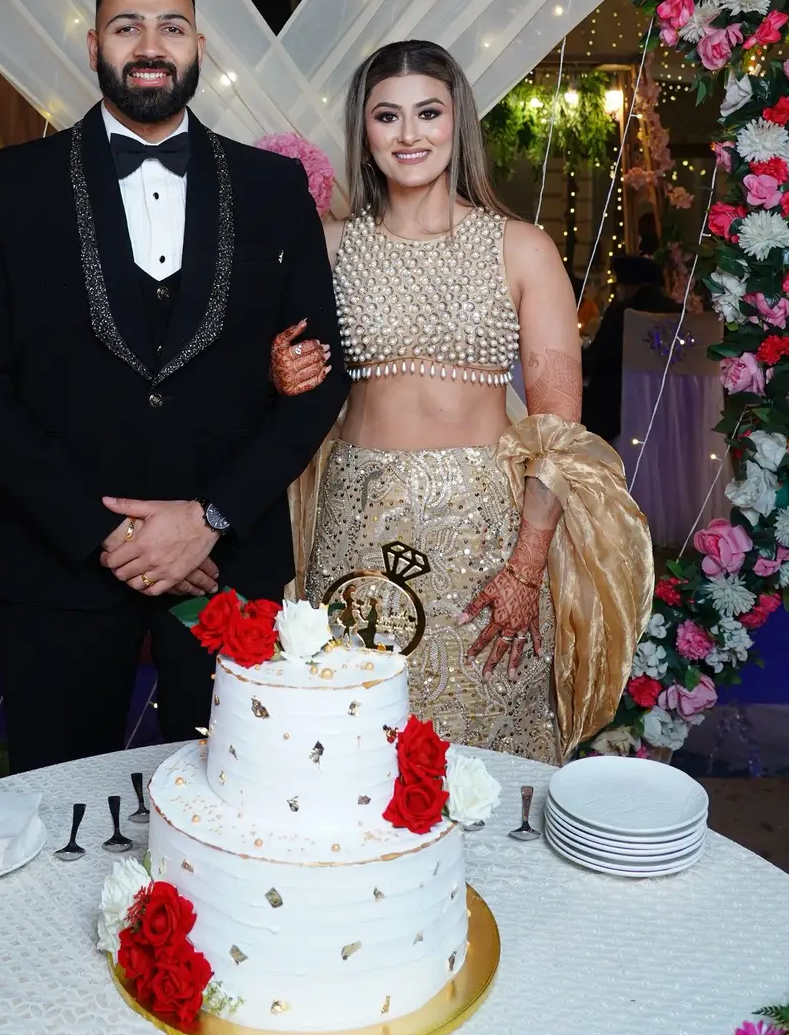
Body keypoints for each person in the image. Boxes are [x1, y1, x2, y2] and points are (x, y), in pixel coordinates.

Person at [0, 0, 347, 773]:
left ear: (199, 47)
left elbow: (318, 379)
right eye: (127, 27)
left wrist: (208, 520)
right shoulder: (10, 189)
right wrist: (102, 532)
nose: (149, 45)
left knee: (237, 803)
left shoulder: (274, 190)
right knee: (58, 811)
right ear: (93, 47)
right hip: (59, 573)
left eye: (171, 27)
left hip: (225, 568)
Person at [273, 41, 652, 763]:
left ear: (459, 123)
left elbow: (557, 433)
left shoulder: (521, 247)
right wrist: (279, 369)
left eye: (429, 113)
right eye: (388, 115)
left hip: (485, 538)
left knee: (484, 757)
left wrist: (526, 567)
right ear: (364, 130)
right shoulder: (325, 246)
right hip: (354, 520)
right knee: (350, 749)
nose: (409, 134)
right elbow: (274, 376)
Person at [580, 254, 678, 444]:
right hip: (665, 407)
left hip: (619, 409)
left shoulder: (622, 312)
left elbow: (599, 358)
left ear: (628, 285)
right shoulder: (676, 310)